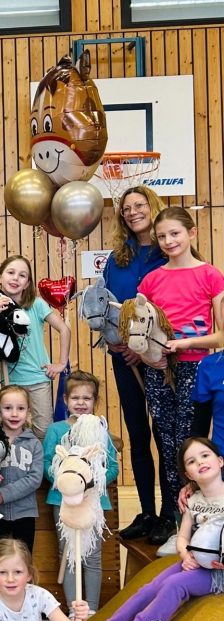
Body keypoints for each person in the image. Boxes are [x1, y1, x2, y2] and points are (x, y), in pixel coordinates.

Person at [84, 437, 224, 621]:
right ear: (188, 475)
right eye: (191, 461)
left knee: (175, 585)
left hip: (218, 574)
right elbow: (183, 536)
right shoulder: (194, 501)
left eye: (205, 456)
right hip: (194, 562)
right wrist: (184, 554)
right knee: (151, 587)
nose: (200, 462)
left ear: (220, 460)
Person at [137, 206, 224, 551]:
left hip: (196, 367)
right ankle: (179, 526)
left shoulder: (210, 275)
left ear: (191, 234)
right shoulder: (152, 280)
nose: (169, 240)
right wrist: (150, 356)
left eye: (175, 233)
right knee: (169, 446)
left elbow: (221, 336)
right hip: (160, 370)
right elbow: (139, 330)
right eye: (162, 236)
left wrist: (185, 344)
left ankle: (209, 520)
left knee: (192, 445)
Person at [102, 186, 172, 543]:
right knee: (138, 435)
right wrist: (119, 342)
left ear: (152, 207)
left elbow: (174, 308)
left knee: (166, 436)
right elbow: (109, 306)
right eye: (126, 208)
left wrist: (145, 350)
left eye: (139, 205)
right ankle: (146, 512)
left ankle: (170, 514)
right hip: (124, 360)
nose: (132, 212)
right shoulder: (118, 257)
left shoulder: (168, 250)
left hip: (161, 361)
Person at [42, 371, 119, 614]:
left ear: (94, 401)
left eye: (87, 398)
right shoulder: (56, 430)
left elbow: (113, 466)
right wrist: (68, 484)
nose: (81, 403)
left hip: (95, 502)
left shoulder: (101, 431)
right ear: (65, 400)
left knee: (93, 556)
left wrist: (92, 483)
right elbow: (47, 464)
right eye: (76, 397)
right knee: (69, 554)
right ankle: (75, 609)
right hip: (62, 502)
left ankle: (92, 609)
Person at [0, 256, 70, 439]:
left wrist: (61, 363)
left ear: (27, 284)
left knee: (43, 431)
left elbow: (64, 329)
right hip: (10, 382)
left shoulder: (36, 305)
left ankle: (41, 468)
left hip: (38, 378)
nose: (15, 278)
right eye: (10, 273)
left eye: (22, 275)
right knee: (11, 431)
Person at [0, 386, 43, 553]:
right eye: (8, 408)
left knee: (22, 558)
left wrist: (4, 494)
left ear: (28, 411)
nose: (14, 414)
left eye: (21, 408)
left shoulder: (34, 444)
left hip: (24, 514)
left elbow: (34, 478)